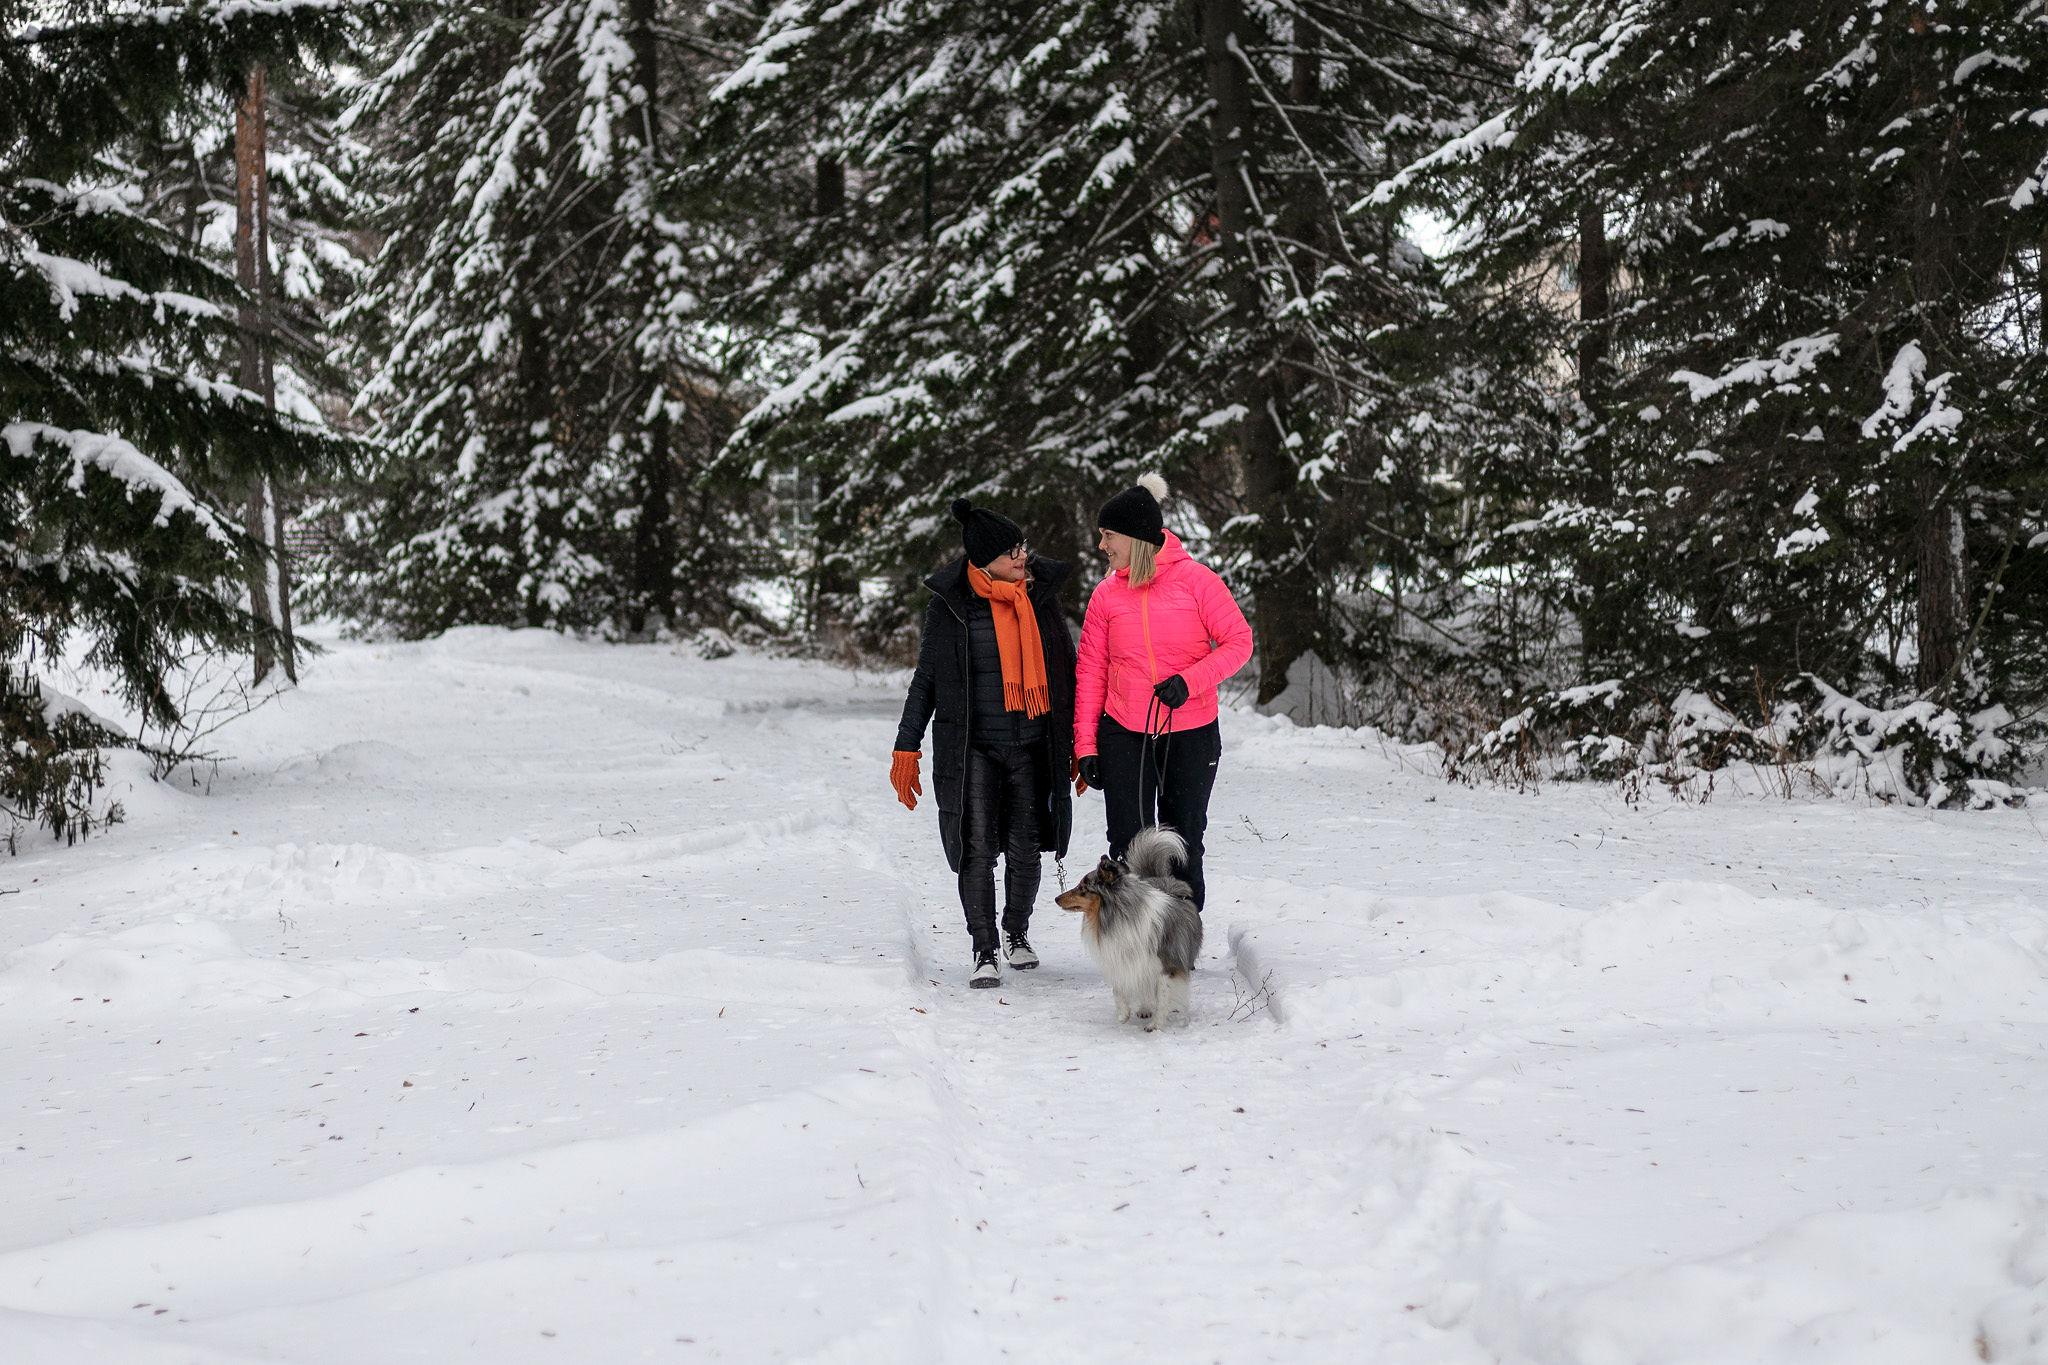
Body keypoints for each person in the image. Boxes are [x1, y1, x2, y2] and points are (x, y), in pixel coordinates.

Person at [891, 499, 1079, 988]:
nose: (1023, 557)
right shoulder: (951, 605)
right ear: (985, 559)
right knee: (976, 850)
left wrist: (1081, 741)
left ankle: (1016, 932)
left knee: (1026, 848)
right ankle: (983, 948)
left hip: (1032, 745)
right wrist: (906, 746)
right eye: (1013, 550)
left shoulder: (1038, 598)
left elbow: (1067, 674)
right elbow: (926, 680)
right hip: (974, 748)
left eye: (1023, 547)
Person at [1073, 474, 1252, 912]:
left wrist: (1190, 682)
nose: (1102, 546)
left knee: (1182, 837)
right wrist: (1086, 745)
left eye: (1108, 535)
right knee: (1128, 841)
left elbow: (1239, 642)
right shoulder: (1105, 596)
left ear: (1135, 538)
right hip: (1124, 731)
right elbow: (1091, 671)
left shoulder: (1198, 582)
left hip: (1190, 729)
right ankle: (1132, 940)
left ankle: (1178, 941)